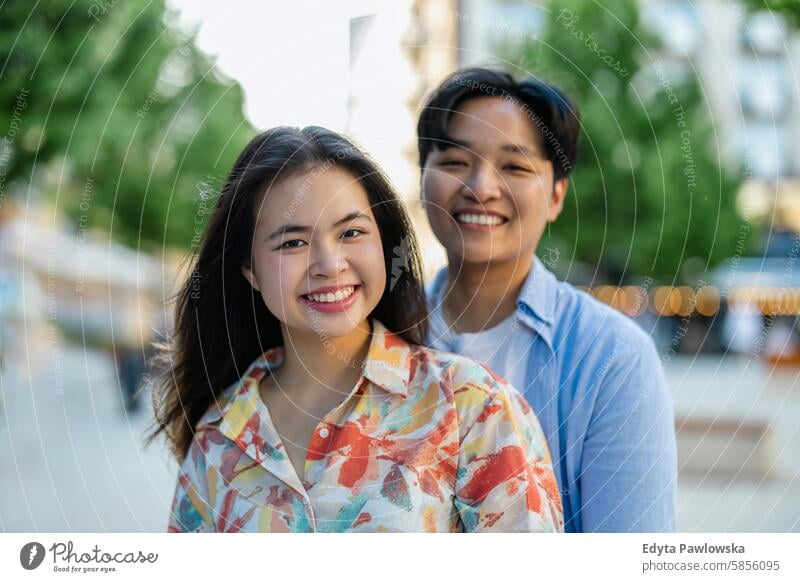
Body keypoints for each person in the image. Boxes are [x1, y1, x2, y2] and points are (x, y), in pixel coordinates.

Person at [150, 126, 563, 532]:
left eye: (351, 233)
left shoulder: (474, 408)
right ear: (250, 270)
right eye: (292, 242)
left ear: (383, 243)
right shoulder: (219, 436)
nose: (330, 264)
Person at [418, 68, 677, 532]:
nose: (481, 187)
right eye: (455, 161)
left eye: (514, 166)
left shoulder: (613, 359)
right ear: (423, 178)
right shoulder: (374, 334)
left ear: (557, 195)